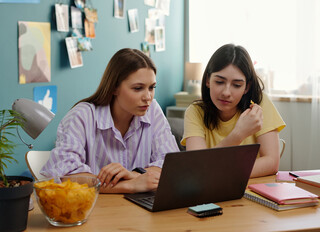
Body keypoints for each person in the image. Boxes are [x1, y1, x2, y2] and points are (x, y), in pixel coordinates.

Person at [41, 48, 179, 193]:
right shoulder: (81, 116)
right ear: (114, 88)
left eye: (152, 87)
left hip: (137, 210)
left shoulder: (153, 110)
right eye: (138, 88)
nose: (148, 97)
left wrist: (133, 175)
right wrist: (129, 186)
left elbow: (172, 164)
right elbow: (65, 176)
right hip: (94, 210)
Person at [181, 44, 285, 178]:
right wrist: (238, 134)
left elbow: (271, 163)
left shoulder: (260, 103)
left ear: (247, 87)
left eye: (236, 85)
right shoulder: (195, 112)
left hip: (250, 188)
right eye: (219, 82)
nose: (226, 92)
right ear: (207, 80)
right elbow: (198, 167)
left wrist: (219, 172)